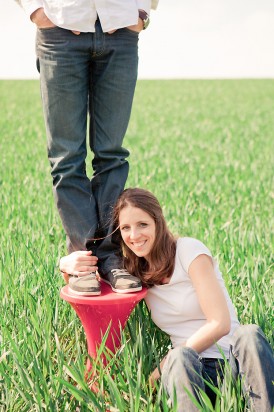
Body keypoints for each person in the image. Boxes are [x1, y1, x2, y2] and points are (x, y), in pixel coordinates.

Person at [60, 188, 274, 411]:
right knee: (181, 358)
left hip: (234, 363)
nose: (134, 235)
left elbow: (219, 323)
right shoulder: (133, 272)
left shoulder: (189, 251)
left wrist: (165, 363)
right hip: (190, 373)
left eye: (142, 224)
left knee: (248, 334)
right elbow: (91, 287)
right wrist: (66, 265)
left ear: (158, 222)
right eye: (125, 228)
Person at [19, 0, 158, 296]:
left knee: (112, 154)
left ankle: (111, 257)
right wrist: (36, 11)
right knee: (67, 157)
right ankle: (84, 261)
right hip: (60, 30)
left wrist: (142, 12)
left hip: (120, 28)